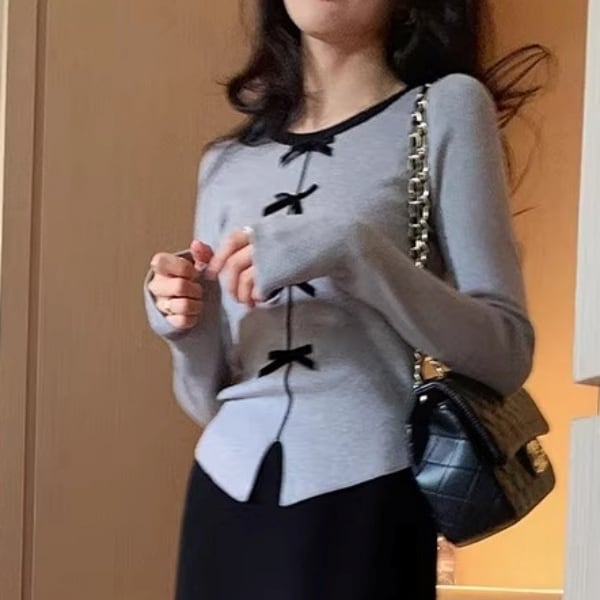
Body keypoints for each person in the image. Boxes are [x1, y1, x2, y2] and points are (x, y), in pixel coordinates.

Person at [143, 1, 546, 598]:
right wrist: (184, 323)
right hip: (222, 501)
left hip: (367, 503)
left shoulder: (445, 109)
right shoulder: (224, 162)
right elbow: (207, 400)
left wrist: (356, 253)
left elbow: (506, 351)